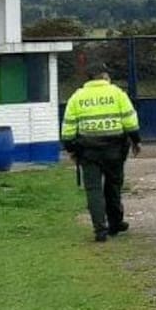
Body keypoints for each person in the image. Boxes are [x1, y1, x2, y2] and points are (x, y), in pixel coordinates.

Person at [61, 69, 141, 242]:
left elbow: (68, 129)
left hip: (88, 151)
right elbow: (130, 121)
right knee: (113, 186)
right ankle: (115, 223)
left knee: (93, 189)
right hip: (115, 149)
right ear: (104, 77)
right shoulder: (117, 93)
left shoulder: (77, 97)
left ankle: (99, 229)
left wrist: (71, 149)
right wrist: (136, 141)